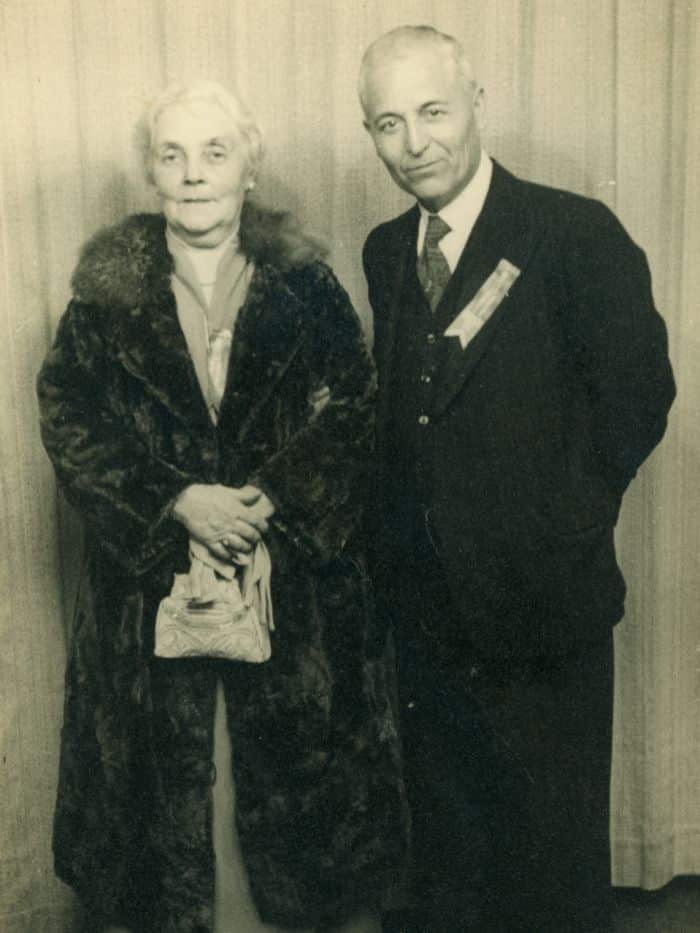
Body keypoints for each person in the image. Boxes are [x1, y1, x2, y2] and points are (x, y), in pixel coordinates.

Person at [38, 79, 408, 933]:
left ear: (250, 167)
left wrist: (269, 497)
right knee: (165, 821)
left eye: (214, 153)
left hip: (293, 604)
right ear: (151, 174)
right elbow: (68, 414)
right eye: (172, 155)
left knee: (295, 818)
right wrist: (174, 500)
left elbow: (356, 405)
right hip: (148, 609)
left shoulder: (307, 287)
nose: (193, 174)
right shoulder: (102, 298)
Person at [358, 25, 675, 933]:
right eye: (387, 123)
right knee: (453, 871)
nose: (414, 143)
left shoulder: (574, 232)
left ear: (476, 105)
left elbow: (638, 395)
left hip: (546, 611)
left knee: (552, 875)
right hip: (425, 617)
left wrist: (558, 522)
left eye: (431, 112)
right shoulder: (387, 252)